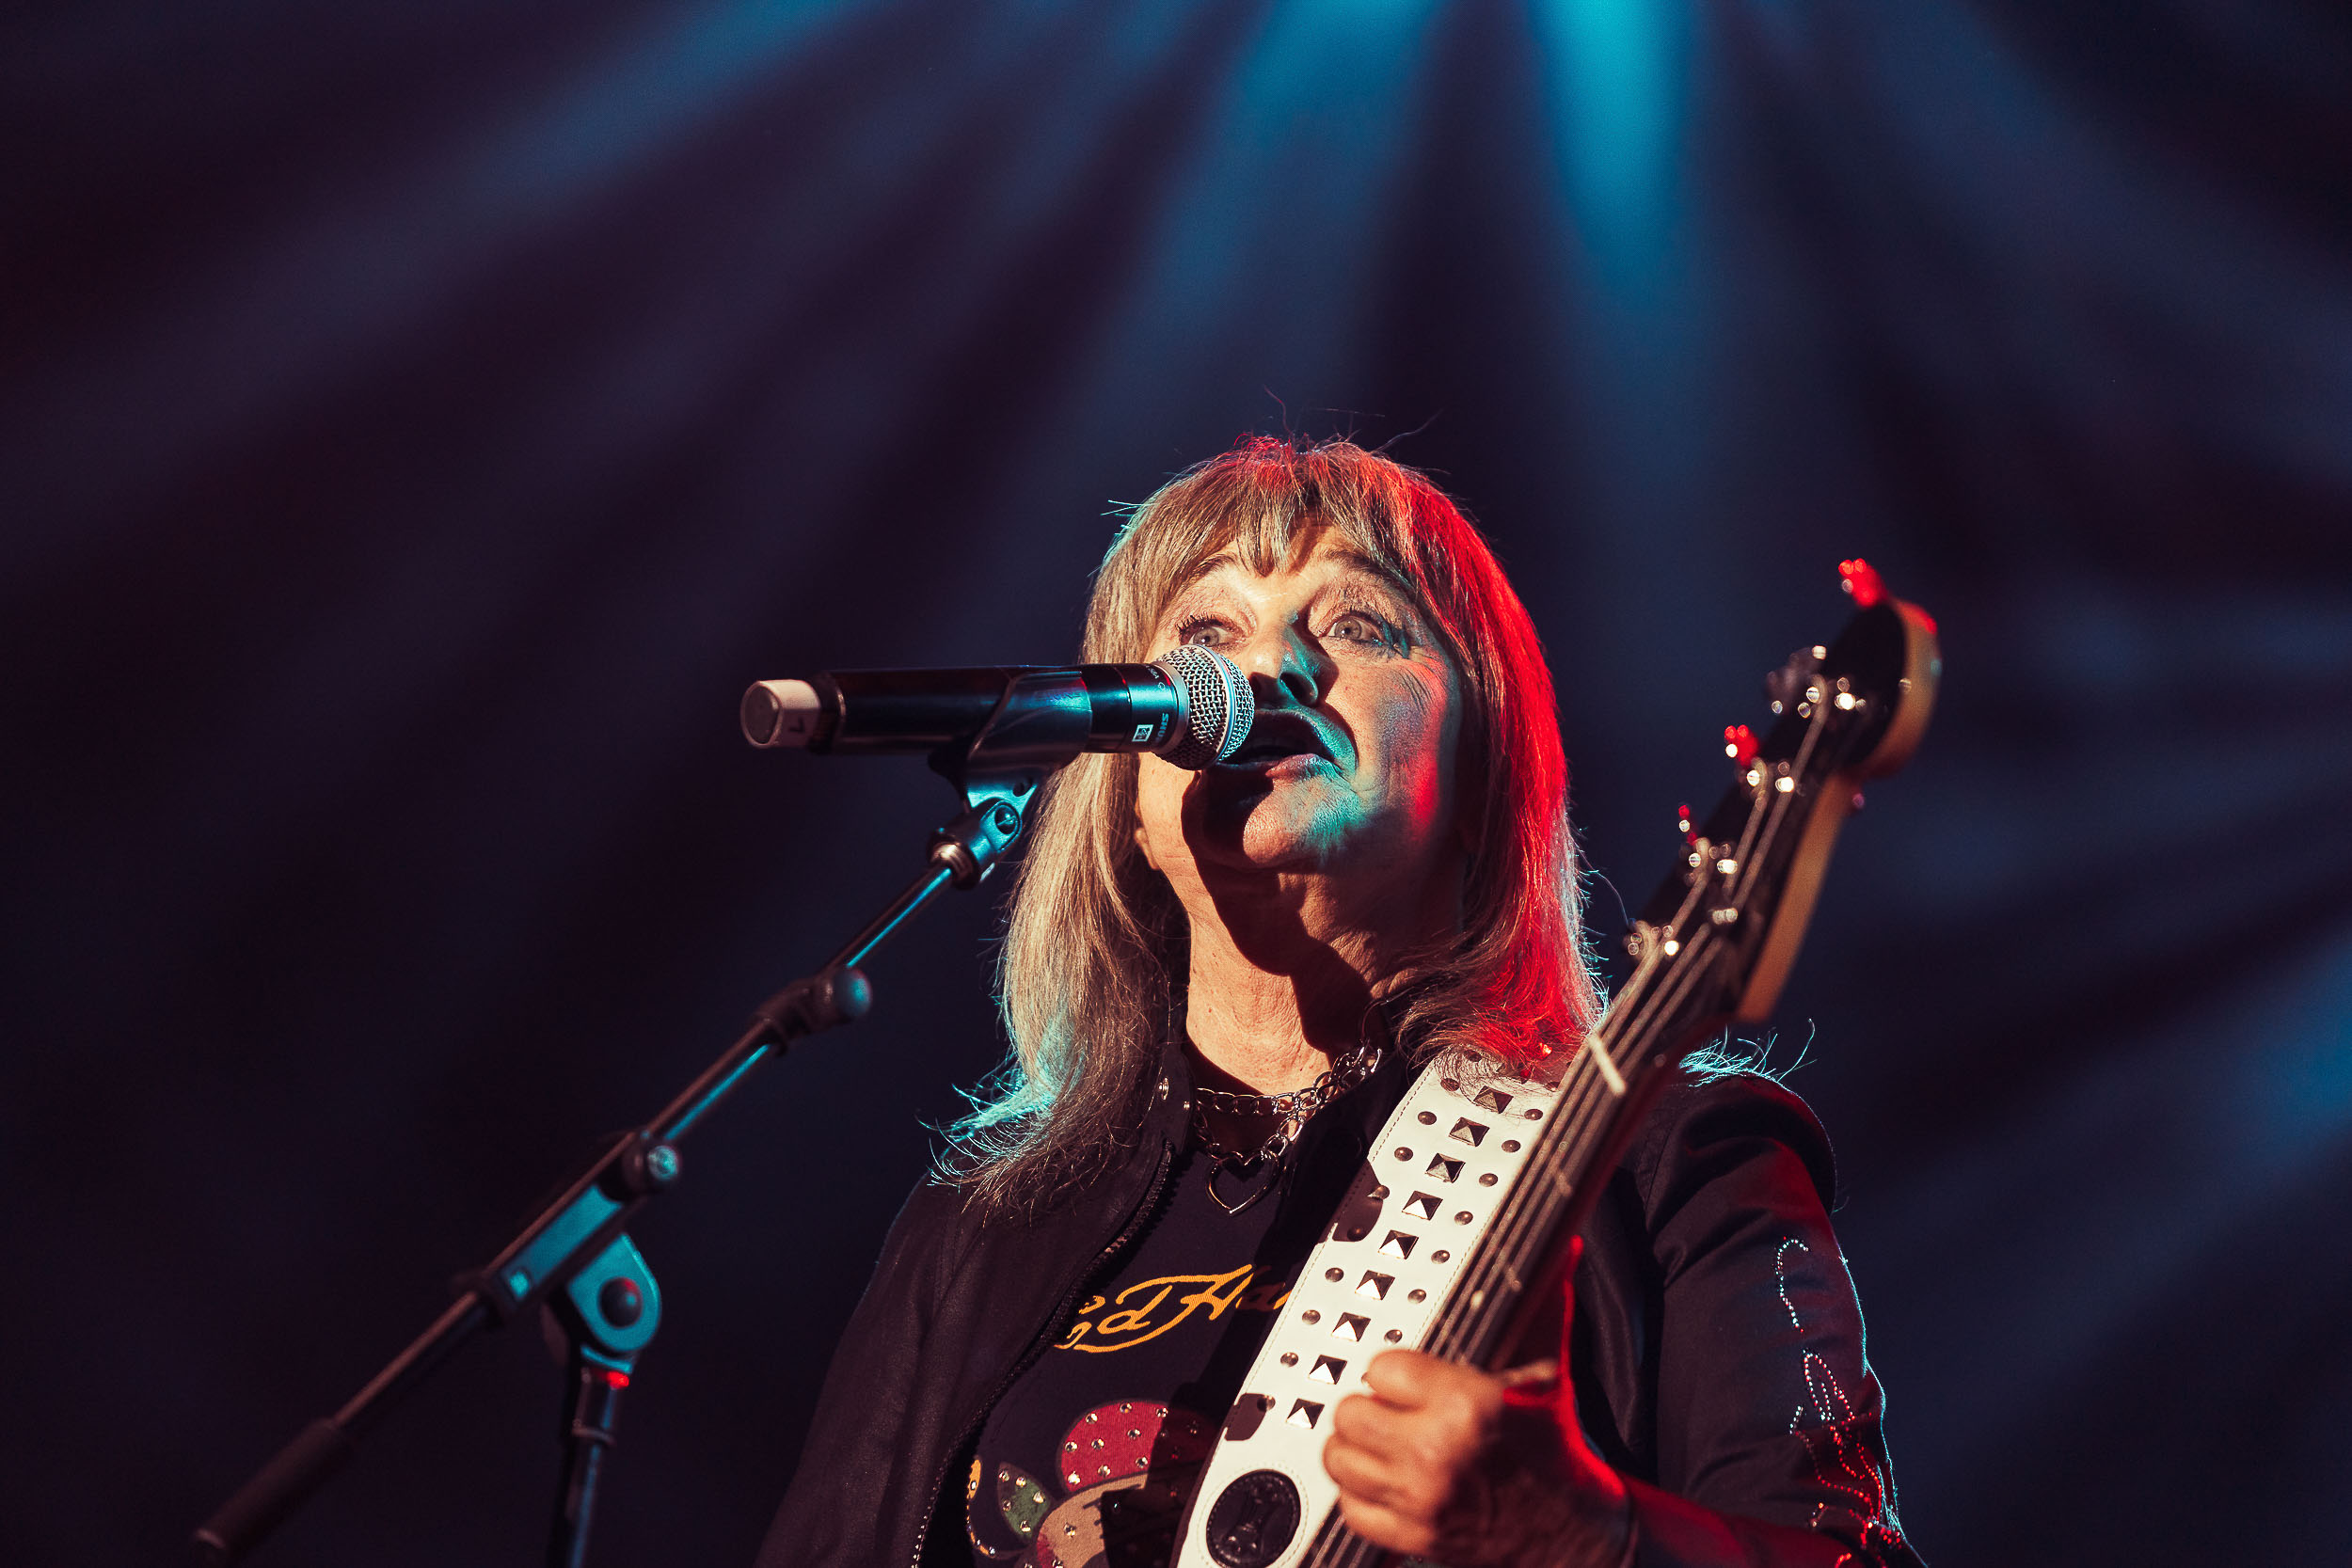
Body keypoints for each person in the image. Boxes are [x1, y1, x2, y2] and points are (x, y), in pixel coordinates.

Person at [757, 438, 1921, 1568]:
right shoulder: (980, 1219)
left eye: (1358, 623)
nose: (1269, 668)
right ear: (1127, 801)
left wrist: (1581, 1538)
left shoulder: (1669, 1158)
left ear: (1481, 773)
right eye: (1205, 636)